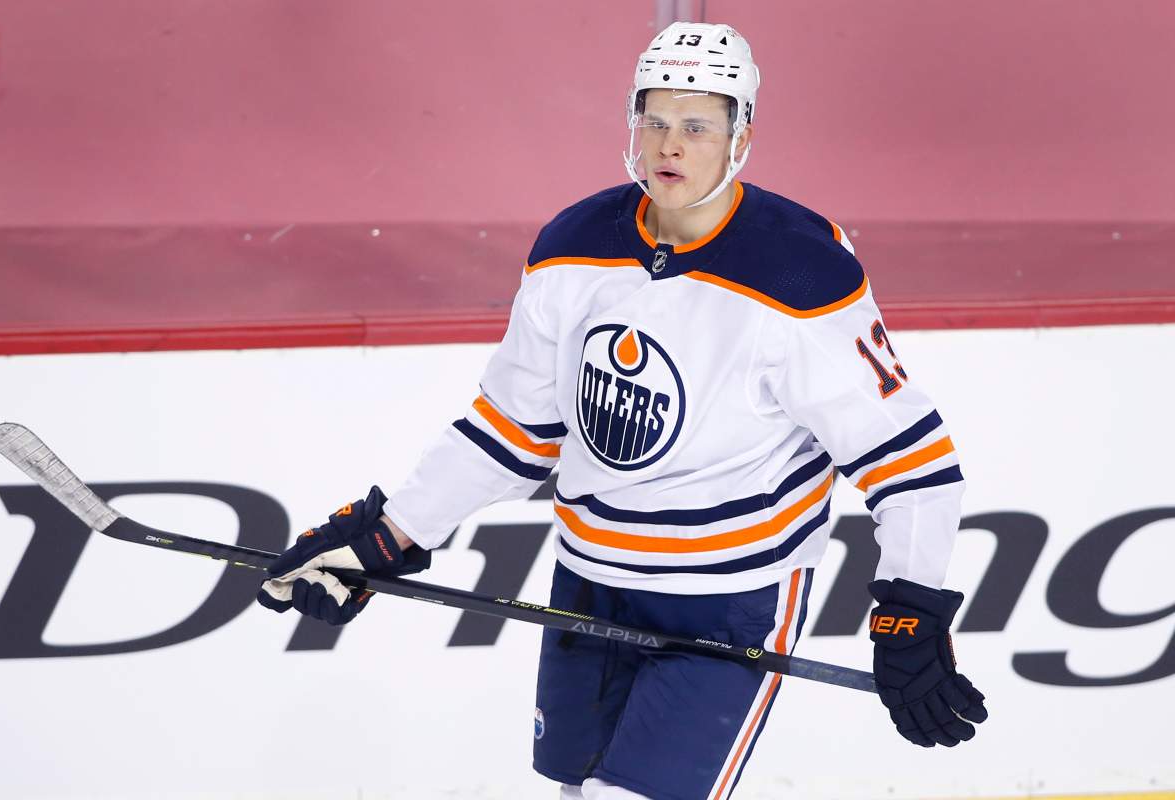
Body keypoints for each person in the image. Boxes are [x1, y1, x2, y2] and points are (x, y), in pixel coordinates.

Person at [256, 21, 988, 800]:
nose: (670, 145)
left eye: (698, 125)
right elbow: (512, 428)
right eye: (656, 121)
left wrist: (911, 607)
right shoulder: (573, 247)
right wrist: (391, 535)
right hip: (590, 580)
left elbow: (911, 464)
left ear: (741, 135)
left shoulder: (800, 275)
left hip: (728, 602)